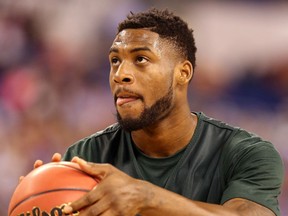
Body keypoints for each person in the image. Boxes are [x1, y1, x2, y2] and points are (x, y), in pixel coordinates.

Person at [34, 8, 284, 216]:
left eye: (140, 59)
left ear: (182, 73)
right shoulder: (86, 156)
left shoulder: (247, 153)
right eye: (114, 61)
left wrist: (147, 197)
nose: (121, 74)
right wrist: (39, 198)